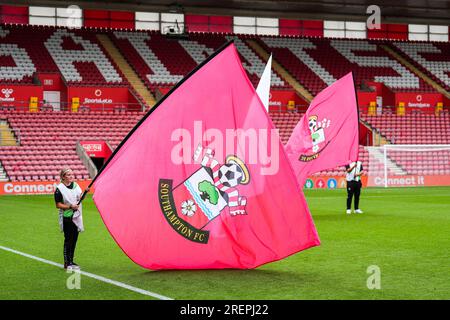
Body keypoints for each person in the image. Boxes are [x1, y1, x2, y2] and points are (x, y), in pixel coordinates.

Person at [54, 168, 88, 269]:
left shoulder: (76, 185)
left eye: (71, 174)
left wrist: (85, 193)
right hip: (67, 217)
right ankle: (66, 262)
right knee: (68, 239)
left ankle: (71, 261)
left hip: (76, 216)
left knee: (74, 239)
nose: (71, 176)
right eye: (68, 175)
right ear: (63, 176)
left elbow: (80, 197)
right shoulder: (59, 189)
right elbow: (58, 204)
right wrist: (70, 206)